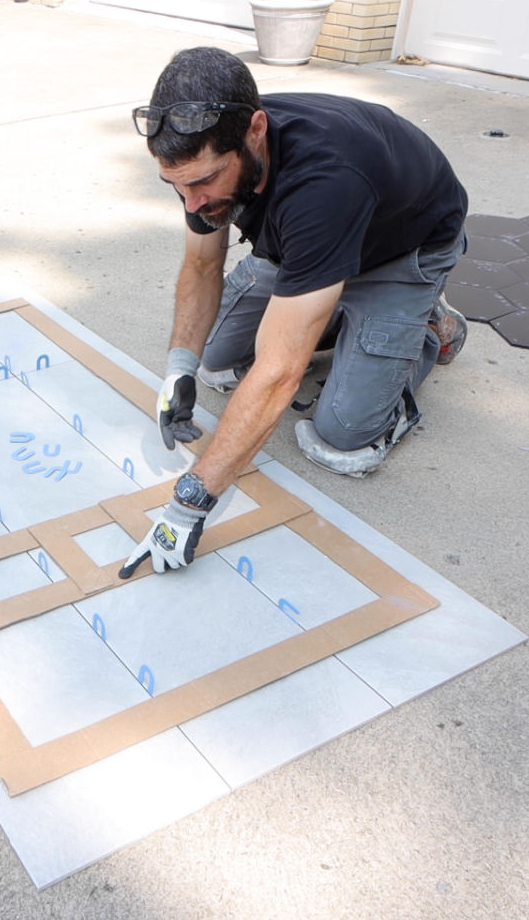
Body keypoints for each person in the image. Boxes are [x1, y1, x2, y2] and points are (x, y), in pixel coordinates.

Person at [121, 46, 470, 579]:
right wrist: (179, 367)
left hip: (401, 247)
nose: (191, 203)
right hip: (305, 248)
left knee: (341, 439)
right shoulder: (201, 155)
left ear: (255, 130)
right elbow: (200, 266)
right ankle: (328, 309)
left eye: (203, 182)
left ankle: (429, 326)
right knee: (215, 363)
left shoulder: (324, 181)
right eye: (176, 186)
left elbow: (281, 372)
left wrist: (189, 503)